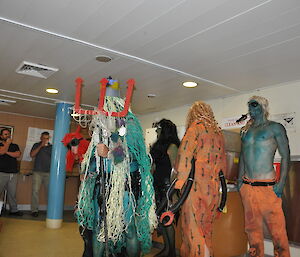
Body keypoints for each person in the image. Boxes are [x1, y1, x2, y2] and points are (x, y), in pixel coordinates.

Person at [71, 78, 157, 257]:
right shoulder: (100, 126)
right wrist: (89, 172)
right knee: (98, 228)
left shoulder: (127, 123)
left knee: (129, 229)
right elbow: (95, 157)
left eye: (104, 103)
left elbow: (132, 155)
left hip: (125, 188)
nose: (100, 108)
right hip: (101, 186)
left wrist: (109, 152)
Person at [238, 96, 290, 257]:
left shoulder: (275, 128)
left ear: (262, 107)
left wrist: (281, 183)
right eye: (249, 107)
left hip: (268, 188)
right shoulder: (246, 131)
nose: (250, 110)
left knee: (278, 231)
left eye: (253, 106)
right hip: (248, 186)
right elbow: (242, 155)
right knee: (252, 229)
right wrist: (240, 180)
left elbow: (286, 156)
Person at [174, 101, 226, 257]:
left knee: (193, 231)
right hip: (213, 190)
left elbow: (184, 157)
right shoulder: (218, 134)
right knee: (206, 231)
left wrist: (179, 184)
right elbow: (223, 164)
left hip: (194, 189)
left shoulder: (195, 129)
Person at [150, 119, 180, 257]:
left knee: (167, 220)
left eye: (159, 129)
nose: (157, 131)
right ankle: (167, 248)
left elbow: (175, 171)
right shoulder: (159, 147)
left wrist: (173, 193)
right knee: (162, 220)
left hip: (168, 188)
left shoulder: (172, 146)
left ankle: (171, 251)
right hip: (158, 186)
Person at [0, 128, 23, 216]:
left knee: (12, 193)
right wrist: (7, 145)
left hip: (13, 174)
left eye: (8, 134)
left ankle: (14, 210)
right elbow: (1, 152)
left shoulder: (15, 145)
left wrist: (6, 151)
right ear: (1, 136)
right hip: (1, 173)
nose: (8, 135)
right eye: (5, 134)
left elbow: (17, 154)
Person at [30, 131, 52, 217]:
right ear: (41, 138)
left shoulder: (51, 147)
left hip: (49, 172)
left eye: (47, 138)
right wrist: (40, 146)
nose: (45, 140)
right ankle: (34, 210)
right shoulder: (36, 145)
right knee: (35, 191)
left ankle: (50, 210)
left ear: (48, 139)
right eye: (43, 138)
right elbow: (32, 155)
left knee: (50, 192)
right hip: (37, 172)